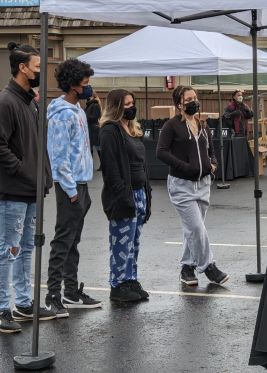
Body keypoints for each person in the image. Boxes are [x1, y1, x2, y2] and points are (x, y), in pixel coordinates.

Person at [0, 42, 56, 333]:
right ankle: (2, 309)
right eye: (36, 68)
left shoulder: (31, 102)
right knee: (8, 250)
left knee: (25, 250)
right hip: (13, 192)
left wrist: (44, 177)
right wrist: (21, 171)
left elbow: (38, 145)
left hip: (32, 190)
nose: (39, 72)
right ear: (22, 68)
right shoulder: (6, 101)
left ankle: (23, 303)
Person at [45, 58, 102, 317]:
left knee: (73, 241)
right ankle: (53, 295)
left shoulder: (78, 110)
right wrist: (70, 191)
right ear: (72, 85)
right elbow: (59, 157)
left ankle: (70, 290)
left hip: (82, 184)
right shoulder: (61, 115)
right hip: (70, 187)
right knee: (63, 240)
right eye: (85, 83)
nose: (88, 87)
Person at [157, 85, 229, 286]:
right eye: (188, 99)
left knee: (193, 229)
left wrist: (213, 164)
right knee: (196, 227)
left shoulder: (202, 124)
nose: (193, 102)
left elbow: (211, 149)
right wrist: (185, 167)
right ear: (179, 103)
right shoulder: (171, 126)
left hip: (203, 184)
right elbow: (161, 152)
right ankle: (209, 266)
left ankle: (187, 267)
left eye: (195, 98)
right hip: (182, 185)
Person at [99, 89, 152, 302]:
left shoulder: (132, 129)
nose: (131, 107)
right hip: (122, 196)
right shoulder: (110, 131)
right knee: (121, 243)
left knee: (134, 242)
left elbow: (141, 165)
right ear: (116, 107)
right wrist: (123, 197)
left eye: (132, 103)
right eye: (126, 104)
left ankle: (131, 279)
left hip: (139, 193)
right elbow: (111, 170)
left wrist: (146, 197)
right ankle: (118, 284)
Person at [85, 91, 102, 171]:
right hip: (90, 128)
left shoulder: (95, 105)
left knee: (97, 147)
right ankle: (90, 165)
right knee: (90, 147)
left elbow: (95, 117)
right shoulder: (90, 104)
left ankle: (102, 164)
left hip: (93, 129)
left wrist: (85, 117)